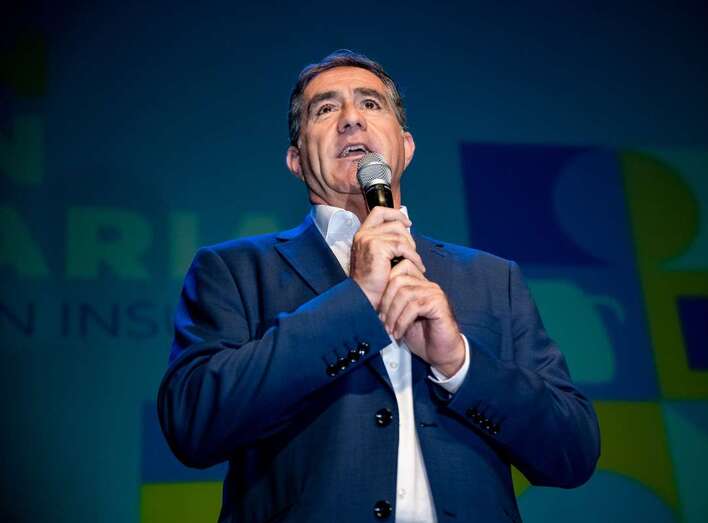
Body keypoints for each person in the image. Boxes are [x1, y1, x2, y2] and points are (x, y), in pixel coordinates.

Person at [158, 50, 600, 523]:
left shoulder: (492, 279)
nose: (351, 119)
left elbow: (572, 453)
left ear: (406, 147)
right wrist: (356, 302)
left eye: (370, 104)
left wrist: (459, 363)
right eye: (326, 109)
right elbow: (193, 423)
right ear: (296, 161)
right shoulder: (234, 270)